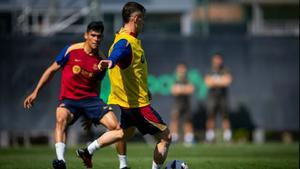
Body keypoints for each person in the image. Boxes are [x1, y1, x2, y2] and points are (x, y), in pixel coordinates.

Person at [76, 2, 172, 169]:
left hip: (128, 103)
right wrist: (110, 61)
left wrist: (144, 88)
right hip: (138, 106)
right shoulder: (125, 42)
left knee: (123, 133)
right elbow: (118, 53)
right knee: (166, 137)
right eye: (142, 20)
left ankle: (88, 151)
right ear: (136, 19)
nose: (143, 23)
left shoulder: (124, 38)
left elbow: (131, 69)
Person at [23, 21, 129, 169]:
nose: (96, 39)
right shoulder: (71, 50)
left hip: (91, 100)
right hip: (69, 100)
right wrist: (36, 92)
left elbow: (97, 84)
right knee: (60, 117)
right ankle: (60, 161)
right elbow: (51, 70)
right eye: (93, 35)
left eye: (99, 36)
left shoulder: (101, 59)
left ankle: (122, 165)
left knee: (117, 128)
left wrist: (92, 115)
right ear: (86, 35)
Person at [204, 53, 233, 143]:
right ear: (213, 60)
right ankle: (210, 137)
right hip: (212, 98)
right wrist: (220, 80)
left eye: (219, 59)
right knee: (210, 116)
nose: (217, 61)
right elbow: (208, 83)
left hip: (223, 98)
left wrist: (214, 81)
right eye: (216, 59)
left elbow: (227, 82)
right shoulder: (209, 71)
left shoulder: (226, 70)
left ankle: (227, 137)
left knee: (225, 116)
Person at [169, 63, 195, 146]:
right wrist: (184, 89)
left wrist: (180, 89)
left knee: (188, 121)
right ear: (177, 71)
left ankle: (189, 139)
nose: (182, 71)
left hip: (186, 104)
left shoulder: (188, 80)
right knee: (174, 120)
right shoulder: (175, 80)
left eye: (183, 69)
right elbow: (173, 90)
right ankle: (174, 138)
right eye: (180, 69)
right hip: (177, 104)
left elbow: (191, 89)